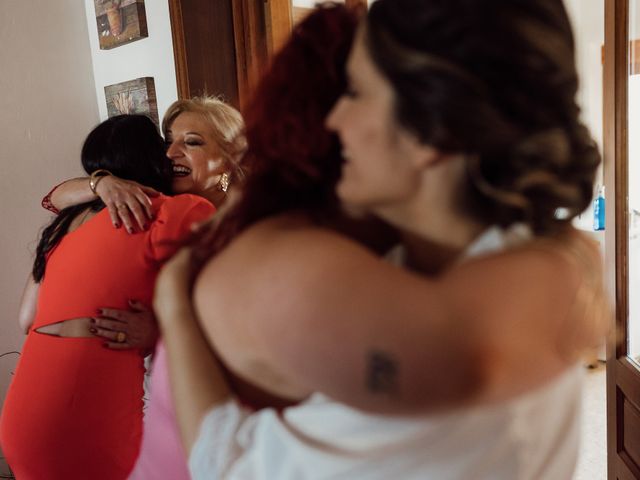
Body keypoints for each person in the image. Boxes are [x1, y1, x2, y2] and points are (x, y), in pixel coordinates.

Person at [154, 0, 609, 478]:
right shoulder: (506, 259)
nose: (333, 121)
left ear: (430, 130)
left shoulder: (457, 349)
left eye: (356, 91)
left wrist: (175, 308)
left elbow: (229, 467)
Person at [33, 97, 246, 480]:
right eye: (169, 139)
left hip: (230, 397)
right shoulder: (157, 207)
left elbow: (245, 322)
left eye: (192, 142)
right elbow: (54, 198)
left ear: (230, 156)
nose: (171, 152)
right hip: (164, 392)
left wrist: (158, 330)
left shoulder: (243, 225)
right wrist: (104, 183)